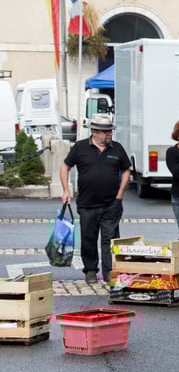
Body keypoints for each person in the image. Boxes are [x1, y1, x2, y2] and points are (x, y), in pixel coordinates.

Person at [59, 113, 130, 283]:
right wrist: (66, 190)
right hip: (87, 204)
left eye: (110, 131)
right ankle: (90, 270)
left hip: (112, 203)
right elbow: (65, 167)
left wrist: (120, 195)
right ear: (94, 131)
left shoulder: (117, 148)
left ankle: (109, 272)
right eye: (106, 132)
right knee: (88, 238)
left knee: (109, 239)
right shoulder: (80, 147)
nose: (109, 134)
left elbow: (126, 170)